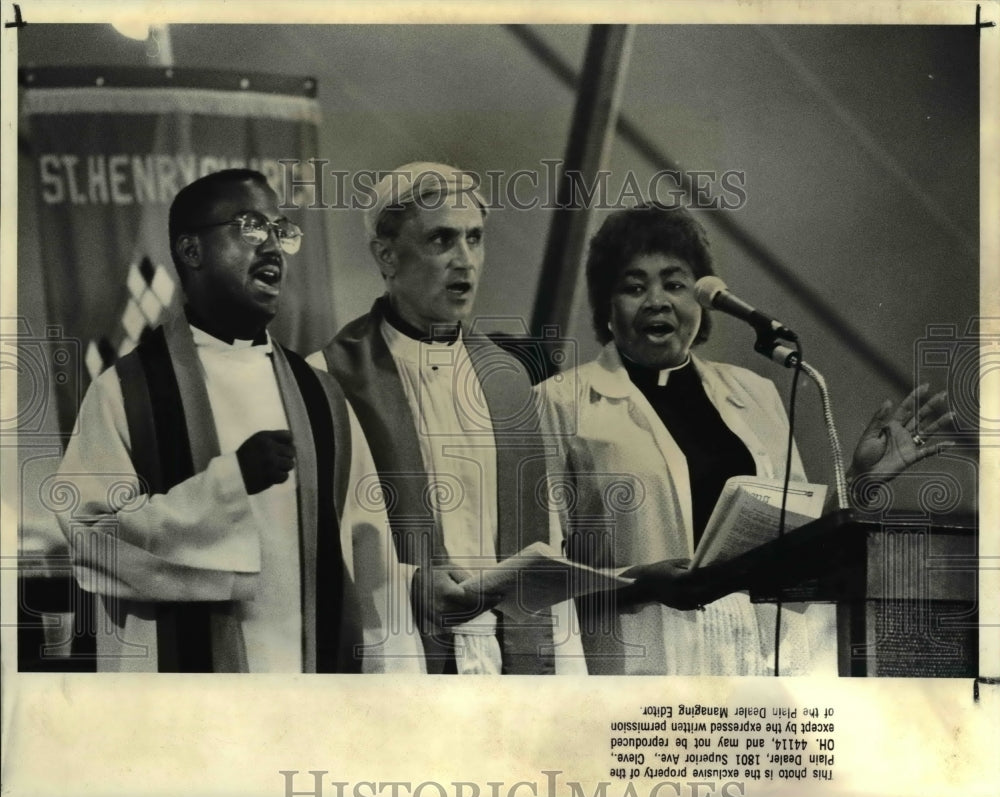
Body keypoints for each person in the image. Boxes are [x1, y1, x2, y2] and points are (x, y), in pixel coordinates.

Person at [537, 203, 952, 676]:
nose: (657, 300)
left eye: (675, 284)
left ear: (702, 302)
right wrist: (638, 586)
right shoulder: (558, 402)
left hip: (753, 656)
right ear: (606, 308)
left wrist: (860, 483)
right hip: (639, 655)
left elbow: (796, 542)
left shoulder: (756, 394)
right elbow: (540, 570)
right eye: (634, 287)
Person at [56, 169, 423, 674]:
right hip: (186, 709)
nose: (273, 247)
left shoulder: (320, 394)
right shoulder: (127, 391)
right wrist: (228, 485)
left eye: (281, 231)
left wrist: (395, 693)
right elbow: (92, 541)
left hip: (308, 689)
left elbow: (372, 563)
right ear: (191, 251)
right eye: (251, 228)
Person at [309, 162, 584, 675]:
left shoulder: (507, 380)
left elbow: (543, 544)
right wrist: (407, 584)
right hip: (396, 654)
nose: (466, 261)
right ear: (386, 256)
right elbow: (314, 543)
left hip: (510, 661)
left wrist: (569, 681)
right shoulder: (328, 378)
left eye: (475, 239)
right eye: (442, 240)